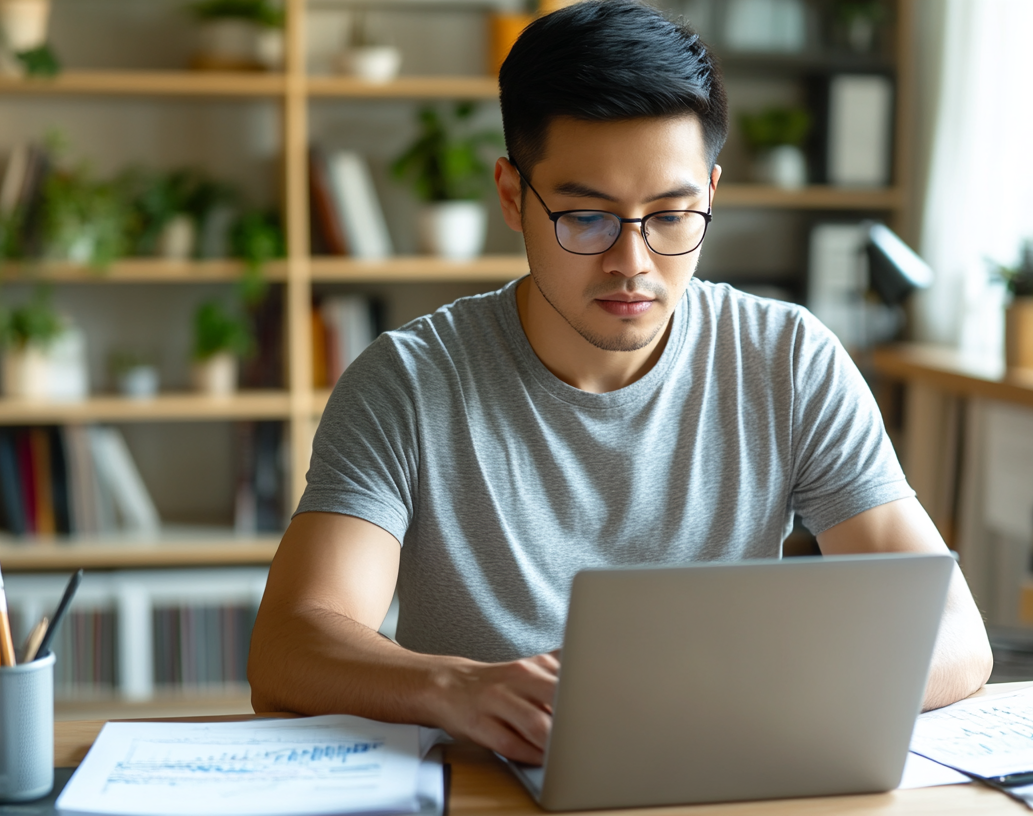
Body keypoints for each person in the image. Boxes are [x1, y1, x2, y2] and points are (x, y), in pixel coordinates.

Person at [248, 0, 992, 766]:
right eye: (586, 217)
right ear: (513, 196)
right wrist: (457, 688)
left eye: (672, 215)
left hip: (723, 774)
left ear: (710, 189)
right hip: (491, 789)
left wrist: (754, 703)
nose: (633, 262)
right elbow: (288, 648)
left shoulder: (789, 359)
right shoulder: (407, 382)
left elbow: (956, 638)